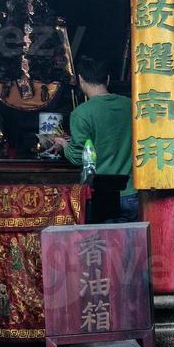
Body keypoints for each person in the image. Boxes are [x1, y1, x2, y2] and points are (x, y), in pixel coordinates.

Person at [51, 54, 137, 222]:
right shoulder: (130, 105)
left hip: (104, 196)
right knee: (132, 245)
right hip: (133, 192)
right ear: (108, 79)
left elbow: (78, 158)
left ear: (80, 79)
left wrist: (63, 144)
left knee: (107, 244)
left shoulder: (81, 113)